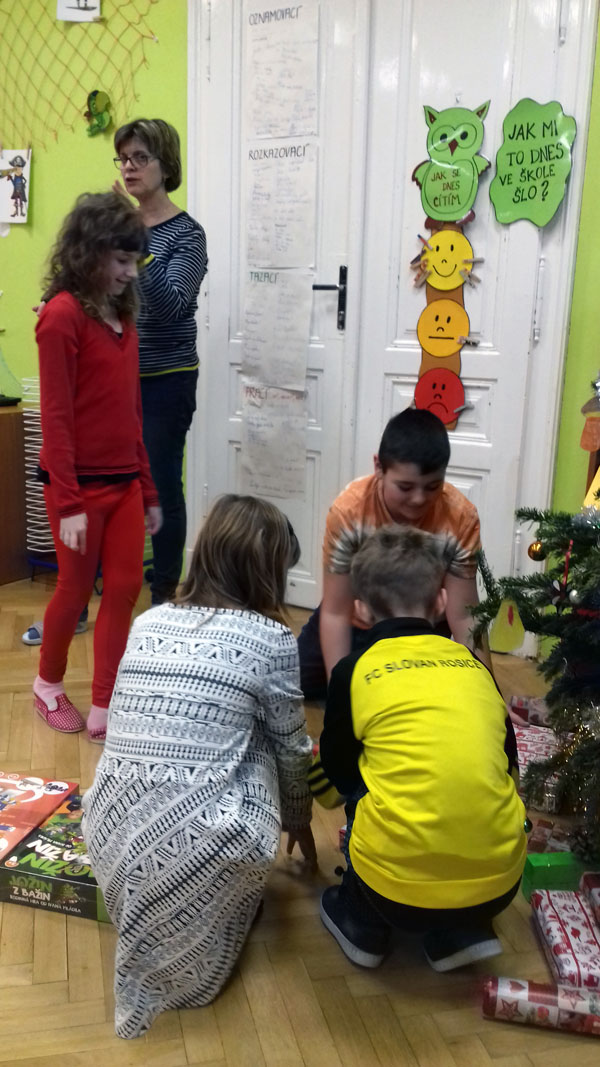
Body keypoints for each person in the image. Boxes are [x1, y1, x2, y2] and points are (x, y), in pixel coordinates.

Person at [82, 494, 316, 1040]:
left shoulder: (148, 621)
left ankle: (178, 900)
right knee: (267, 738)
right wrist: (298, 818)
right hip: (205, 842)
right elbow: (292, 748)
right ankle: (212, 901)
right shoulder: (273, 639)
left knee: (221, 729)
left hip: (109, 831)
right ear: (268, 572)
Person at [318, 525, 527, 972]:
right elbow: (509, 764)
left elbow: (336, 769)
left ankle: (362, 922)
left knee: (360, 780)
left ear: (360, 608)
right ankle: (461, 929)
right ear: (440, 602)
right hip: (500, 885)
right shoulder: (474, 666)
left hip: (394, 895)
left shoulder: (354, 671)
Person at [33, 192, 162, 743]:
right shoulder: (61, 317)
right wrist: (67, 504)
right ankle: (46, 685)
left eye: (135, 261)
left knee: (126, 586)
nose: (131, 272)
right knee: (75, 589)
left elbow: (131, 413)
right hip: (77, 489)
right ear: (89, 254)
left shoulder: (124, 318)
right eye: (121, 260)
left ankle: (105, 704)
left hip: (124, 483)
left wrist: (148, 489)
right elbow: (57, 419)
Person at [298, 407, 490, 700]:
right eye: (405, 487)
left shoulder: (460, 517)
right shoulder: (349, 512)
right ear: (379, 468)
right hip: (357, 620)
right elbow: (336, 611)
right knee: (296, 680)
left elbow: (464, 616)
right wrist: (341, 695)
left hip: (420, 627)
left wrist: (488, 692)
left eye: (433, 487)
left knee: (419, 698)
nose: (419, 499)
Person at [113, 118, 208, 604]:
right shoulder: (118, 227)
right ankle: (109, 585)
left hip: (166, 381)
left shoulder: (188, 234)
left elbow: (171, 304)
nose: (129, 167)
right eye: (123, 158)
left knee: (161, 486)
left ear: (165, 165)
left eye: (140, 158)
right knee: (111, 484)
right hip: (115, 377)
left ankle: (165, 595)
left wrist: (137, 244)